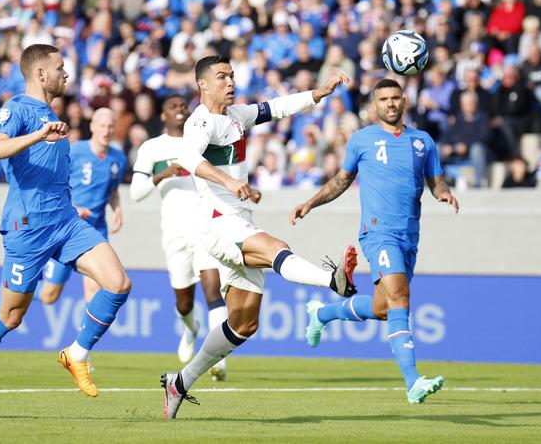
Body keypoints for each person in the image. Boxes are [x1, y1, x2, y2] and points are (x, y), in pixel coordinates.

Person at [161, 55, 357, 419]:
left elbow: (277, 107)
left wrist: (320, 92)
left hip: (238, 220)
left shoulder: (236, 116)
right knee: (276, 248)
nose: (230, 81)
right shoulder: (199, 122)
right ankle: (332, 280)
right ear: (203, 84)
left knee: (244, 324)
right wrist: (229, 181)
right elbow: (190, 159)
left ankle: (180, 383)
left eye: (232, 75)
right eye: (222, 77)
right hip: (217, 223)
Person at [0, 44, 131, 420]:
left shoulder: (51, 114)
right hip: (27, 229)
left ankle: (76, 354)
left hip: (65, 223)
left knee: (118, 283)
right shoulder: (15, 110)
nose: (66, 74)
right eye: (60, 68)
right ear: (40, 74)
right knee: (11, 316)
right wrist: (38, 135)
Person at [290, 78, 459, 404]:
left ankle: (321, 315)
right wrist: (309, 203)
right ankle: (413, 383)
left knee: (384, 308)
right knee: (400, 298)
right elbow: (341, 181)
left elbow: (436, 182)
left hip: (409, 235)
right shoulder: (362, 140)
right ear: (375, 104)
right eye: (384, 99)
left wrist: (445, 193)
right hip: (379, 233)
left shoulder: (422, 141)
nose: (391, 104)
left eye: (396, 98)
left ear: (404, 101)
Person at [130, 95, 228, 380]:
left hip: (206, 228)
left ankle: (217, 358)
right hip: (174, 232)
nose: (180, 110)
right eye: (173, 107)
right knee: (184, 302)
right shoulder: (153, 148)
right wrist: (163, 174)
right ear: (162, 115)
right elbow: (136, 193)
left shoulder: (201, 141)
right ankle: (190, 328)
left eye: (184, 106)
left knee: (213, 290)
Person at [35, 107, 126, 310]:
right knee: (49, 296)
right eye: (102, 125)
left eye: (110, 126)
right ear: (92, 126)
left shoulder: (118, 158)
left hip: (96, 230)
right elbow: (53, 184)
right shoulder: (75, 151)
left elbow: (112, 189)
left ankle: (85, 342)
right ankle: (20, 293)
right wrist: (73, 207)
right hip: (67, 228)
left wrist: (118, 209)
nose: (106, 130)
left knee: (95, 289)